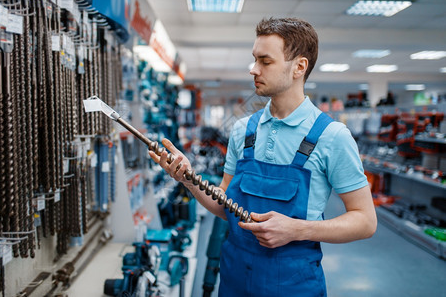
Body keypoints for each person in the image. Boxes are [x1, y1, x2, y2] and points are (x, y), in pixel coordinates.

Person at [149, 17, 377, 297]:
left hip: (293, 283)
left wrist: (297, 229)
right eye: (254, 59)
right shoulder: (243, 131)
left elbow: (365, 221)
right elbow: (225, 205)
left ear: (299, 67)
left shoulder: (332, 137)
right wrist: (188, 179)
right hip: (235, 277)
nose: (253, 70)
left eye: (265, 61)